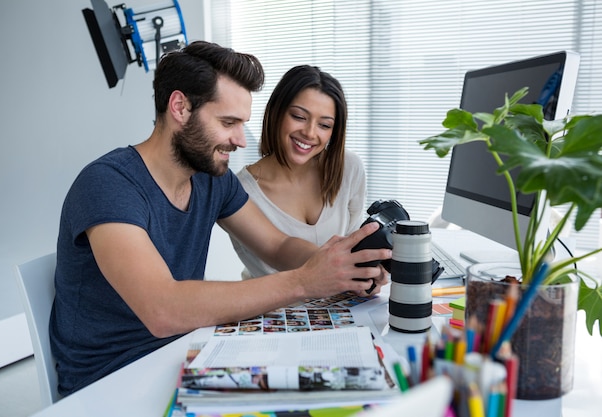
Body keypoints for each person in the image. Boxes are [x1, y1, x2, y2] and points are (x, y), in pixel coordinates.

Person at [49, 41, 390, 397]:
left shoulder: (212, 180)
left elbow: (277, 244)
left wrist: (341, 266)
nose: (241, 140)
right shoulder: (108, 184)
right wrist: (305, 282)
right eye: (228, 122)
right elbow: (162, 309)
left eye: (242, 123)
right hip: (111, 380)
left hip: (188, 353)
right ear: (180, 107)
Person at [229, 65, 369, 280]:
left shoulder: (348, 168)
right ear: (276, 112)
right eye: (299, 116)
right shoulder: (240, 190)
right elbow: (278, 250)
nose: (310, 133)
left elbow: (354, 246)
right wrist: (339, 269)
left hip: (343, 306)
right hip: (274, 311)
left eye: (324, 125)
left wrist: (367, 273)